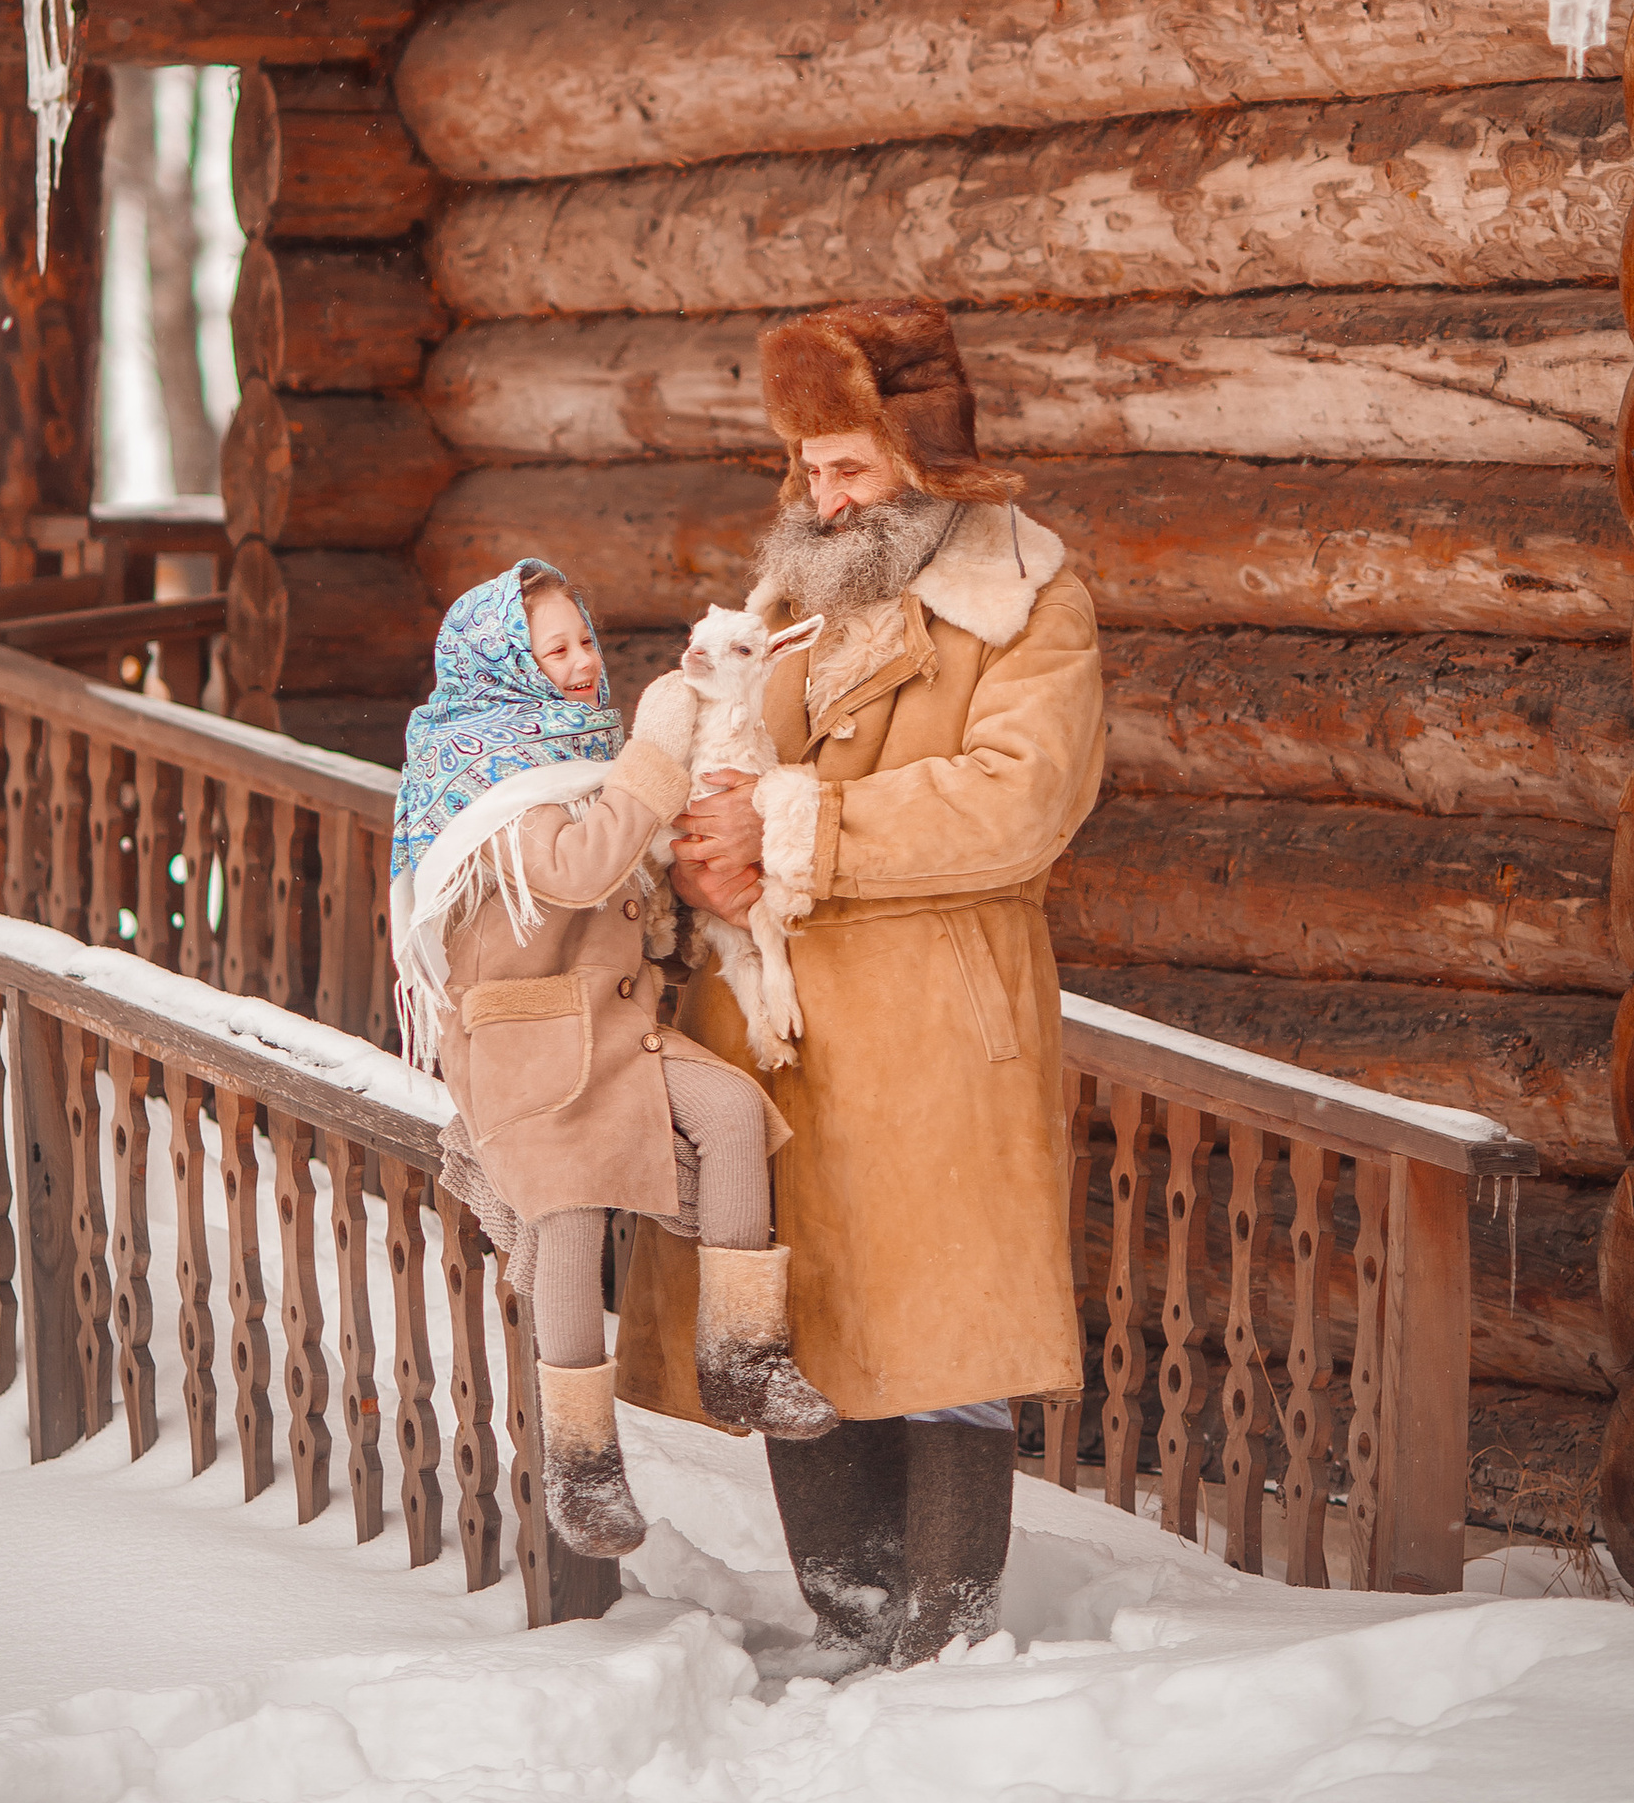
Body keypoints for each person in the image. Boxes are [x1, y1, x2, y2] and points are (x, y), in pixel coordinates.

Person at [613, 298, 1105, 1665]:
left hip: (935, 1028)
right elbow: (720, 762)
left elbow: (1018, 801)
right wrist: (699, 848)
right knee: (805, 1323)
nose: (819, 499)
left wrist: (784, 832)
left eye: (848, 468)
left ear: (924, 462)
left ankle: (943, 1641)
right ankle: (848, 1623)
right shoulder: (784, 606)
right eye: (808, 469)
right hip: (780, 1031)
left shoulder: (1029, 602)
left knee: (944, 1333)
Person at [390, 554, 834, 1560]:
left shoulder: (577, 750)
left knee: (728, 1116)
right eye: (555, 649)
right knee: (572, 1206)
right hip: (520, 1036)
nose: (584, 663)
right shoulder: (485, 764)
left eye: (585, 639)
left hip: (609, 1020)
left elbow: (629, 871)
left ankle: (742, 1352)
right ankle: (581, 1463)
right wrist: (653, 752)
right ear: (504, 664)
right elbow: (578, 867)